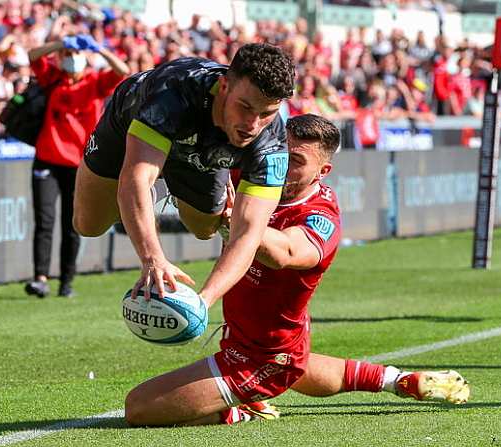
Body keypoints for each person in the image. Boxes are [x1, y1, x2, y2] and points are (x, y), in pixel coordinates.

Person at [124, 114, 471, 427]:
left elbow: (285, 252)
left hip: (261, 356)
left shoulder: (320, 217)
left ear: (322, 172)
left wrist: (235, 219)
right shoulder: (260, 177)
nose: (282, 166)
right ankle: (396, 379)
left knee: (138, 408)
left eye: (296, 161)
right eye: (280, 154)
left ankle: (240, 408)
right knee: (297, 367)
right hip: (274, 342)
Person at [73, 43, 295, 306]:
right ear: (224, 86)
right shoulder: (173, 94)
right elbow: (135, 179)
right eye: (245, 107)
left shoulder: (271, 142)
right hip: (128, 126)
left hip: (200, 152)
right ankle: (152, 186)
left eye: (267, 113)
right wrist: (152, 259)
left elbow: (248, 234)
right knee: (88, 224)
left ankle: (171, 186)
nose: (252, 125)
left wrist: (203, 302)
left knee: (205, 230)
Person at [24, 34, 130, 298]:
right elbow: (32, 55)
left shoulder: (95, 82)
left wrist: (99, 48)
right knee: (44, 220)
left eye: (75, 55)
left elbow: (124, 71)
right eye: (67, 56)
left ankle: (66, 281)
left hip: (79, 163)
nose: (72, 60)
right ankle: (40, 277)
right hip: (47, 158)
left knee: (73, 223)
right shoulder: (53, 78)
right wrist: (60, 44)